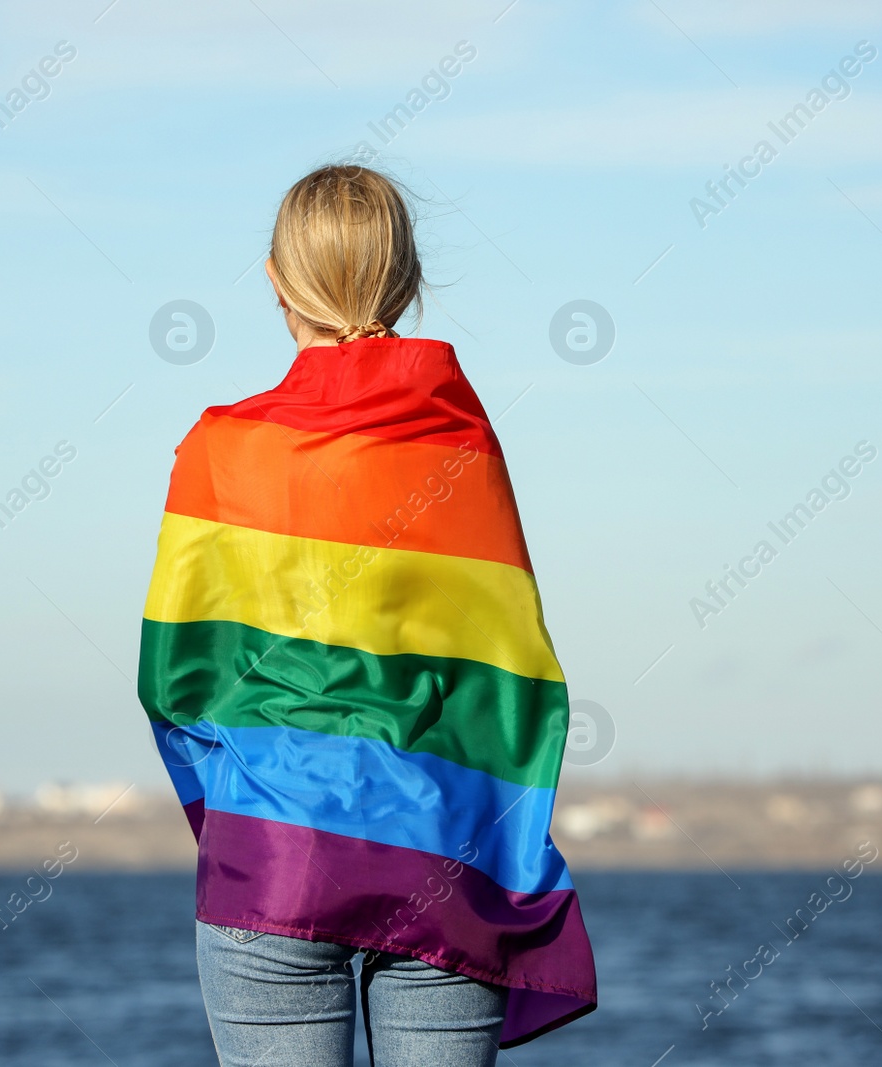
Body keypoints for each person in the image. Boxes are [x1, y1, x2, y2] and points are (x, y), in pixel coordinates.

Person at [138, 165, 596, 1066]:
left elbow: (172, 683)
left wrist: (238, 815)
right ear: (409, 277)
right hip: (444, 861)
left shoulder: (221, 452)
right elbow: (517, 680)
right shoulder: (462, 446)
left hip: (271, 857)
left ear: (275, 279)